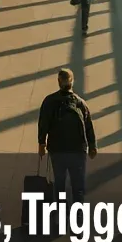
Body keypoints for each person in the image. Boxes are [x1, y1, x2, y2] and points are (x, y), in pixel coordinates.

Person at [37, 69, 97, 205]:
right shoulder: (80, 103)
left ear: (59, 82)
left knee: (60, 182)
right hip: (78, 151)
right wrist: (92, 145)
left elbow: (43, 124)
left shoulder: (49, 101)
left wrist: (42, 143)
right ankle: (79, 213)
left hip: (57, 150)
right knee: (78, 184)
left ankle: (61, 209)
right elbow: (88, 125)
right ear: (72, 82)